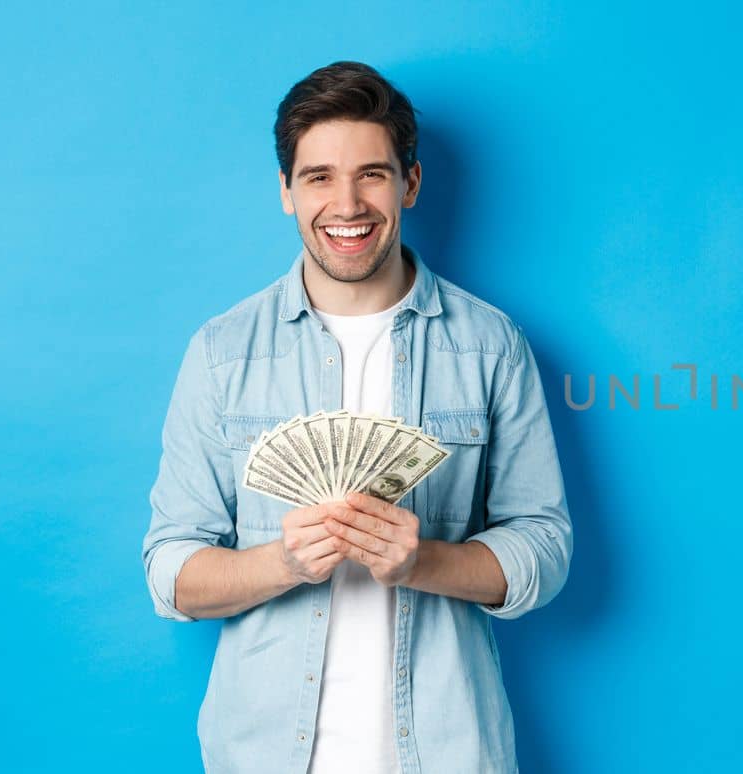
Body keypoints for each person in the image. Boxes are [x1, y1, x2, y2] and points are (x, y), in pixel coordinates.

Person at [141, 61, 572, 774]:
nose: (347, 204)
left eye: (372, 174)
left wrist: (424, 559)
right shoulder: (222, 353)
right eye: (318, 177)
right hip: (263, 756)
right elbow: (170, 571)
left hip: (447, 751)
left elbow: (546, 549)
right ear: (286, 190)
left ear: (410, 183)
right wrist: (280, 563)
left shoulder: (491, 344)